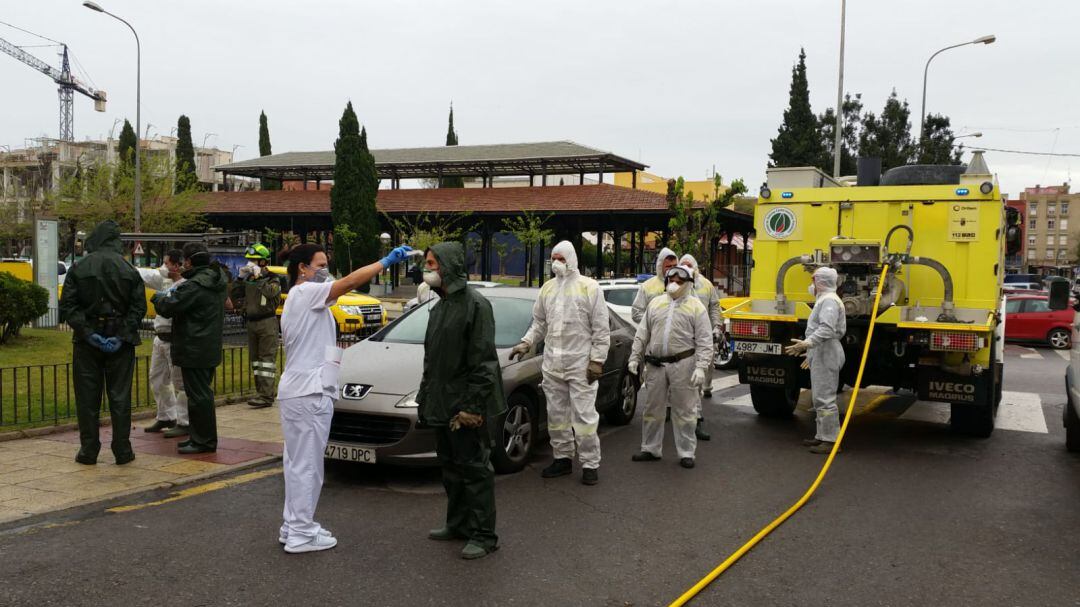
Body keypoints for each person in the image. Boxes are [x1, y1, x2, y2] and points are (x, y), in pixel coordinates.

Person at [274, 242, 412, 554]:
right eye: (320, 265)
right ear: (303, 269)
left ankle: (293, 525)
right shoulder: (305, 292)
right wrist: (385, 261)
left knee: (298, 464)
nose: (325, 270)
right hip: (309, 394)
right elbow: (349, 282)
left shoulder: (303, 298)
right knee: (307, 465)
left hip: (302, 391)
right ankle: (300, 533)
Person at [417, 242, 505, 560]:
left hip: (466, 407)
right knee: (451, 468)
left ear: (450, 266)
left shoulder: (476, 305)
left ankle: (484, 535)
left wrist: (472, 407)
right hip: (442, 404)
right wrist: (425, 399)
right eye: (427, 263)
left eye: (432, 263)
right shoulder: (439, 308)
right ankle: (457, 524)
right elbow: (433, 362)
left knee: (475, 469)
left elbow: (484, 363)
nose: (427, 269)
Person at [510, 241, 609, 485]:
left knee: (584, 418)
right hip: (553, 364)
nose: (556, 262)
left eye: (561, 258)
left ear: (571, 259)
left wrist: (597, 361)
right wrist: (526, 342)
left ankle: (590, 464)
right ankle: (562, 458)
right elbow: (539, 323)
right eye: (553, 257)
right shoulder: (547, 289)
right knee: (557, 416)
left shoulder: (590, 288)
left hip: (580, 365)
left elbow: (601, 329)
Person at [59, 220, 147, 465]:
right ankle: (122, 450)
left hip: (88, 342)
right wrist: (121, 335)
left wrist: (88, 333)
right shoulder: (129, 270)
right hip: (120, 339)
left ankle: (88, 451)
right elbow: (138, 307)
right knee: (120, 397)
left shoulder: (79, 267)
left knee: (87, 398)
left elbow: (68, 305)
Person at [628, 265, 712, 469]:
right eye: (671, 279)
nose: (674, 283)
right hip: (655, 364)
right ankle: (650, 448)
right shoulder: (656, 304)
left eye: (679, 280)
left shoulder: (696, 307)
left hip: (683, 364)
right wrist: (634, 357)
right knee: (652, 409)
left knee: (685, 410)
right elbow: (642, 333)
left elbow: (704, 340)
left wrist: (701, 367)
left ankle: (686, 452)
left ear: (688, 284)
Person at [151, 242, 229, 455]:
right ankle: (198, 437)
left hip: (194, 345)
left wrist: (158, 296)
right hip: (207, 344)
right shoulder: (216, 279)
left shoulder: (195, 285)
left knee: (199, 396)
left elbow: (168, 306)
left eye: (184, 260)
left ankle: (203, 441)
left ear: (189, 261)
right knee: (199, 394)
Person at [784, 267, 847, 454]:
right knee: (818, 397)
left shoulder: (829, 301)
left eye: (814, 280)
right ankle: (822, 436)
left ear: (820, 282)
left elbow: (827, 329)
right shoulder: (825, 300)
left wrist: (807, 344)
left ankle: (830, 440)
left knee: (825, 398)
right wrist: (811, 353)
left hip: (826, 351)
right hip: (822, 351)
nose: (811, 285)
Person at [142, 250, 190, 437]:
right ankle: (166, 415)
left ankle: (185, 421)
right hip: (159, 337)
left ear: (177, 265)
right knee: (158, 380)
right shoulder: (165, 281)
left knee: (180, 383)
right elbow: (145, 275)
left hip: (174, 338)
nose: (164, 267)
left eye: (167, 263)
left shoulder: (184, 285)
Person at [679, 254, 721, 440]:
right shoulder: (675, 284)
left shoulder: (706, 285)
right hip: (683, 341)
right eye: (683, 265)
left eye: (689, 264)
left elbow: (714, 306)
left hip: (701, 337)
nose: (686, 267)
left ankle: (695, 420)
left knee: (696, 382)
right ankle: (685, 419)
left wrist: (717, 326)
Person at [239, 243, 282, 409]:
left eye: (254, 261)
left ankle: (266, 395)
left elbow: (271, 293)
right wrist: (239, 278)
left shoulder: (273, 278)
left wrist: (260, 278)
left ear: (263, 262)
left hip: (267, 322)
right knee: (256, 361)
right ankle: (260, 393)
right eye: (249, 260)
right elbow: (237, 294)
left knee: (266, 361)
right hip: (251, 322)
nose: (251, 264)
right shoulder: (249, 277)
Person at [631, 247, 678, 324]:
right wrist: (656, 321)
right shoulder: (647, 286)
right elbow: (636, 313)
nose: (672, 269)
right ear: (660, 266)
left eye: (675, 266)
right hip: (654, 334)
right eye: (668, 266)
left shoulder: (684, 285)